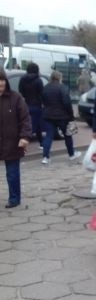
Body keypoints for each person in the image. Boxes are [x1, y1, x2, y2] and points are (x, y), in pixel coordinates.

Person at [0, 68, 32, 208]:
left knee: (12, 173)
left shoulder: (16, 97)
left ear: (5, 81)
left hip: (11, 143)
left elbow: (25, 119)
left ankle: (14, 198)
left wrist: (24, 137)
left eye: (1, 80)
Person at [40, 71, 81, 165]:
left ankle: (45, 157)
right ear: (59, 78)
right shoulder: (63, 88)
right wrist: (71, 115)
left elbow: (43, 100)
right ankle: (71, 154)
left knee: (49, 136)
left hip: (48, 115)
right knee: (67, 135)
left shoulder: (45, 88)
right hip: (62, 116)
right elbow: (67, 102)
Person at [18, 63, 44, 145]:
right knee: (34, 126)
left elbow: (20, 90)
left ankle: (41, 142)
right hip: (37, 105)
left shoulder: (22, 79)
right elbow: (42, 93)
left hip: (26, 104)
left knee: (32, 124)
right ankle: (23, 143)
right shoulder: (38, 80)